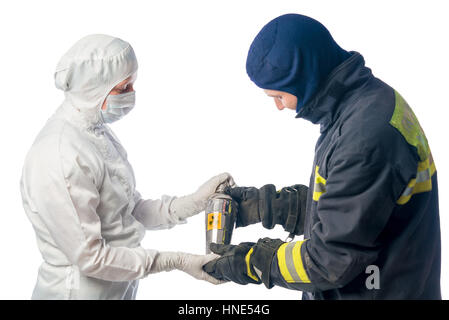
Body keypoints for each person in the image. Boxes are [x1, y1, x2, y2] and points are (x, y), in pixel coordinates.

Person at [203, 13, 441, 300]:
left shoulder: (366, 137)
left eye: (279, 96)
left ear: (304, 78)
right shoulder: (362, 106)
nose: (280, 107)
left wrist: (253, 262)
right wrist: (272, 207)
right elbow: (358, 209)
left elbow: (328, 261)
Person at [20, 34, 233, 300]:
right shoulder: (60, 154)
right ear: (93, 88)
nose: (132, 95)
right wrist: (175, 261)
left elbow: (128, 212)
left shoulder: (94, 133)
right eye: (124, 88)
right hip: (76, 293)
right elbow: (91, 258)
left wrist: (194, 201)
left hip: (118, 288)